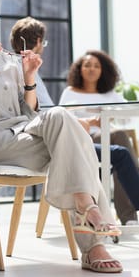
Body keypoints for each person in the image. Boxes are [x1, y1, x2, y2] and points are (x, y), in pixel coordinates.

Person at [0, 0, 123, 273]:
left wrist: (29, 78)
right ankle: (93, 242)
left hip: (21, 135)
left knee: (59, 116)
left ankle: (85, 207)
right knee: (75, 149)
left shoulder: (8, 60)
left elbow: (29, 113)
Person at [10, 17, 139, 227]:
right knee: (121, 151)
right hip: (63, 141)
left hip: (67, 135)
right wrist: (83, 122)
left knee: (119, 145)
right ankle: (122, 213)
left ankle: (125, 214)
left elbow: (46, 114)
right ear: (39, 40)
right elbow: (47, 116)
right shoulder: (26, 72)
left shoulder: (25, 70)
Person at [59, 50, 139, 225]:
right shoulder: (70, 92)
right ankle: (130, 212)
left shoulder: (109, 94)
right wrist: (92, 121)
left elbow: (128, 116)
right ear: (79, 69)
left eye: (96, 66)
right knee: (120, 143)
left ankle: (128, 217)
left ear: (103, 70)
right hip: (83, 140)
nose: (92, 69)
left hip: (109, 139)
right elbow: (62, 120)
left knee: (120, 143)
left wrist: (111, 115)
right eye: (87, 65)